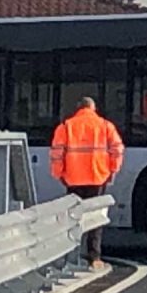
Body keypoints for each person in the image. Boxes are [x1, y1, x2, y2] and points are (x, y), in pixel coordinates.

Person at [50, 97, 125, 270]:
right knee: (96, 217)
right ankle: (94, 257)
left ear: (78, 109)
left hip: (73, 178)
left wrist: (58, 174)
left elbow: (56, 153)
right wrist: (112, 170)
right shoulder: (105, 125)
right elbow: (117, 149)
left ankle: (72, 255)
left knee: (73, 218)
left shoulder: (66, 126)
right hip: (98, 177)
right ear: (93, 108)